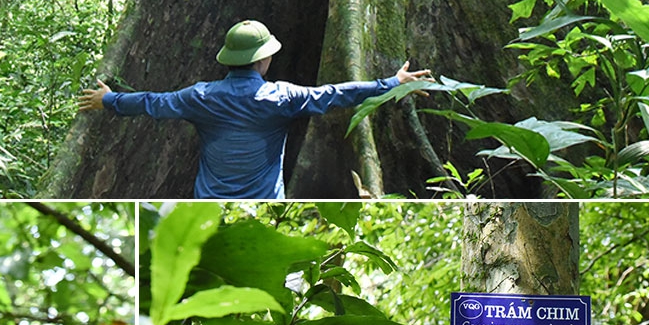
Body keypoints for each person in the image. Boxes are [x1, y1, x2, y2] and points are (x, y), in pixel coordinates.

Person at [75, 19, 433, 198]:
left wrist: (109, 100)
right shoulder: (281, 98)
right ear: (264, 60)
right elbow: (334, 94)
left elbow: (154, 102)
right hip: (264, 206)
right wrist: (391, 83)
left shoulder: (200, 97)